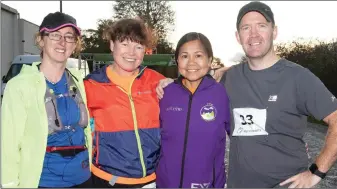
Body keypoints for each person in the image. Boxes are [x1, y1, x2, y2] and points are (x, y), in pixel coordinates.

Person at [156, 1, 337, 188]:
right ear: (238, 36)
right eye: (246, 28)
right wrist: (171, 83)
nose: (253, 34)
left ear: (274, 31)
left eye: (261, 26)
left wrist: (316, 172)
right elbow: (197, 75)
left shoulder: (298, 77)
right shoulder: (228, 77)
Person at [1, 12, 93, 188]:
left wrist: (161, 84)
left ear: (75, 44)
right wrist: (10, 184)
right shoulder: (19, 86)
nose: (62, 42)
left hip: (83, 179)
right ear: (41, 40)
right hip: (43, 181)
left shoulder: (80, 81)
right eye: (55, 35)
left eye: (69, 37)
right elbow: (8, 146)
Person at [83, 18, 165, 188]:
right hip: (107, 180)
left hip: (153, 180)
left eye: (138, 46)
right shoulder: (90, 85)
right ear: (112, 45)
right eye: (125, 44)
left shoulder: (157, 81)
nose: (131, 53)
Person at [155, 32, 230, 188]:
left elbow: (241, 139)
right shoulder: (165, 93)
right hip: (167, 184)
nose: (191, 63)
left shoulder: (222, 93)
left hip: (207, 184)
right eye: (184, 56)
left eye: (198, 56)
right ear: (177, 60)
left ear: (210, 60)